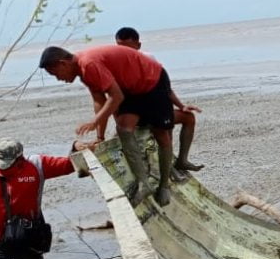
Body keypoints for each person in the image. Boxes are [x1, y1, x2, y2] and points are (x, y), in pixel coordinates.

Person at [38, 43, 175, 206]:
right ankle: (143, 183)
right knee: (124, 129)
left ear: (63, 63)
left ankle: (164, 185)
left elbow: (115, 97)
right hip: (129, 89)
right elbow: (99, 101)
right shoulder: (83, 71)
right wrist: (99, 136)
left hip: (152, 80)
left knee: (161, 134)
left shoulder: (88, 64)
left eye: (55, 74)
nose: (58, 79)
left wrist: (95, 121)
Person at [114, 27, 204, 178]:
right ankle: (168, 168)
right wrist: (119, 123)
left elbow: (165, 89)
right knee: (163, 125)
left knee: (187, 117)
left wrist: (181, 106)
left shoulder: (148, 59)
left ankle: (181, 160)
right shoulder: (115, 65)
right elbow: (113, 98)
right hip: (136, 116)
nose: (125, 53)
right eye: (121, 48)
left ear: (138, 46)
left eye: (129, 49)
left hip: (154, 110)